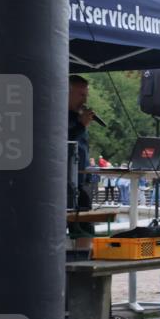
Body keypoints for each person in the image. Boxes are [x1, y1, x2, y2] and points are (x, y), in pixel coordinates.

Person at [66, 76, 97, 253]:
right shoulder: (57, 116)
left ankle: (84, 264)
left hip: (82, 181)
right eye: (80, 95)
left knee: (85, 227)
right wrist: (80, 125)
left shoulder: (78, 118)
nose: (84, 100)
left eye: (86, 95)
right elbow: (62, 143)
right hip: (65, 183)